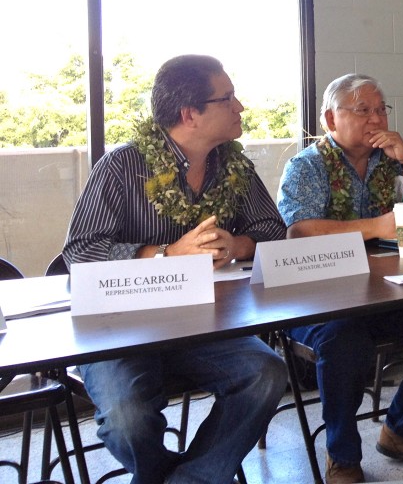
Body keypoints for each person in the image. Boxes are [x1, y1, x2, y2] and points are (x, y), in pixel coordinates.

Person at [62, 54, 288, 484]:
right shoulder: (121, 166)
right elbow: (80, 252)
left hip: (205, 322)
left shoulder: (233, 165)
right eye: (228, 98)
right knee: (128, 417)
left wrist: (236, 244)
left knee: (266, 373)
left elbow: (272, 229)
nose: (240, 106)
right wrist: (166, 255)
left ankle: (192, 479)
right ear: (190, 114)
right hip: (122, 326)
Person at [277, 75, 403, 483]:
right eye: (363, 109)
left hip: (382, 292)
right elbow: (301, 232)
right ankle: (343, 455)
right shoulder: (307, 166)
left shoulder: (387, 162)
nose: (376, 117)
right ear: (331, 118)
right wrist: (378, 226)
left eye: (381, 109)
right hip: (317, 300)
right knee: (344, 340)